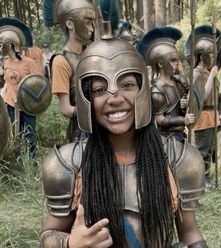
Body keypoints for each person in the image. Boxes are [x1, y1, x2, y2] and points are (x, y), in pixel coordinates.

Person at [39, 21, 180, 247]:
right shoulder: (68, 163)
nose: (114, 98)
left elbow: (191, 234)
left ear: (143, 91)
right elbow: (48, 234)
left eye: (127, 85)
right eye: (99, 89)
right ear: (87, 99)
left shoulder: (175, 157)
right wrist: (70, 244)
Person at [138, 26, 207, 248]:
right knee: (171, 187)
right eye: (174, 60)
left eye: (178, 60)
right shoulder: (156, 90)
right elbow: (158, 120)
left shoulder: (177, 82)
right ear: (160, 63)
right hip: (166, 143)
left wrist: (187, 105)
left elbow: (186, 102)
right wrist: (181, 121)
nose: (178, 64)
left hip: (180, 140)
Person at [43, 0, 96, 143]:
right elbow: (66, 109)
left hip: (104, 126)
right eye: (87, 22)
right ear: (70, 24)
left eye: (92, 23)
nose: (91, 29)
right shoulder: (61, 61)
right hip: (82, 133)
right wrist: (96, 110)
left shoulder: (93, 53)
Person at [185, 25, 221, 188]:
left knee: (211, 149)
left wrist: (218, 112)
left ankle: (207, 176)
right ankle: (200, 179)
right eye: (210, 54)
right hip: (203, 116)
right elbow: (202, 97)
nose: (214, 57)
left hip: (212, 115)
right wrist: (212, 75)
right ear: (201, 55)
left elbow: (215, 97)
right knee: (202, 150)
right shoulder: (197, 74)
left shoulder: (207, 72)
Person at [0, 17, 42, 158]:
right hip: (10, 105)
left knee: (29, 135)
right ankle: (18, 163)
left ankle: (32, 162)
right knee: (14, 136)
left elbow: (39, 83)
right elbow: (6, 82)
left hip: (26, 105)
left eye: (2, 44)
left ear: (11, 45)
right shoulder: (5, 62)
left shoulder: (28, 63)